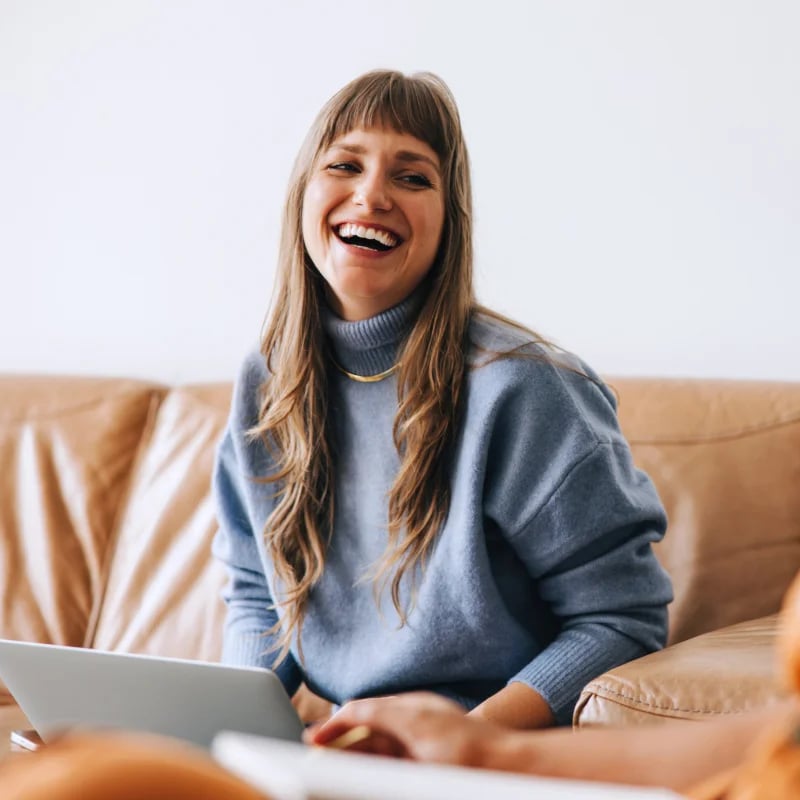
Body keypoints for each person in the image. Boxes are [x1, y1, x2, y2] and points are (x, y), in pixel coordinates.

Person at [212, 69, 673, 729]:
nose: (370, 196)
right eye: (345, 164)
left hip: (489, 747)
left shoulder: (524, 388)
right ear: (302, 195)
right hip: (343, 741)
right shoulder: (266, 383)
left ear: (448, 222)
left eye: (412, 176)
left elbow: (622, 619)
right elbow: (259, 595)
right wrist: (228, 723)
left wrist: (472, 737)